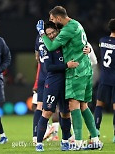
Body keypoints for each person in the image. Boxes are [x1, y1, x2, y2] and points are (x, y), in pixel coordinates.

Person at [36, 6, 102, 150]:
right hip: (84, 68)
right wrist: (88, 49)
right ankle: (95, 139)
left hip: (76, 71)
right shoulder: (77, 24)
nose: (52, 22)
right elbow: (83, 43)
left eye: (52, 19)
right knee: (83, 105)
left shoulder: (67, 29)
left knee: (73, 105)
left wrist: (42, 33)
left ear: (58, 18)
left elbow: (52, 46)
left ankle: (78, 143)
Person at [36, 21, 79, 152]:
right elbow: (49, 67)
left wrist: (86, 50)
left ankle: (65, 141)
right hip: (53, 83)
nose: (51, 36)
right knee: (47, 112)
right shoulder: (46, 46)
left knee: (65, 113)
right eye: (48, 34)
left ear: (57, 31)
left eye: (53, 32)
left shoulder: (63, 43)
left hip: (66, 83)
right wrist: (67, 65)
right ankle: (39, 143)